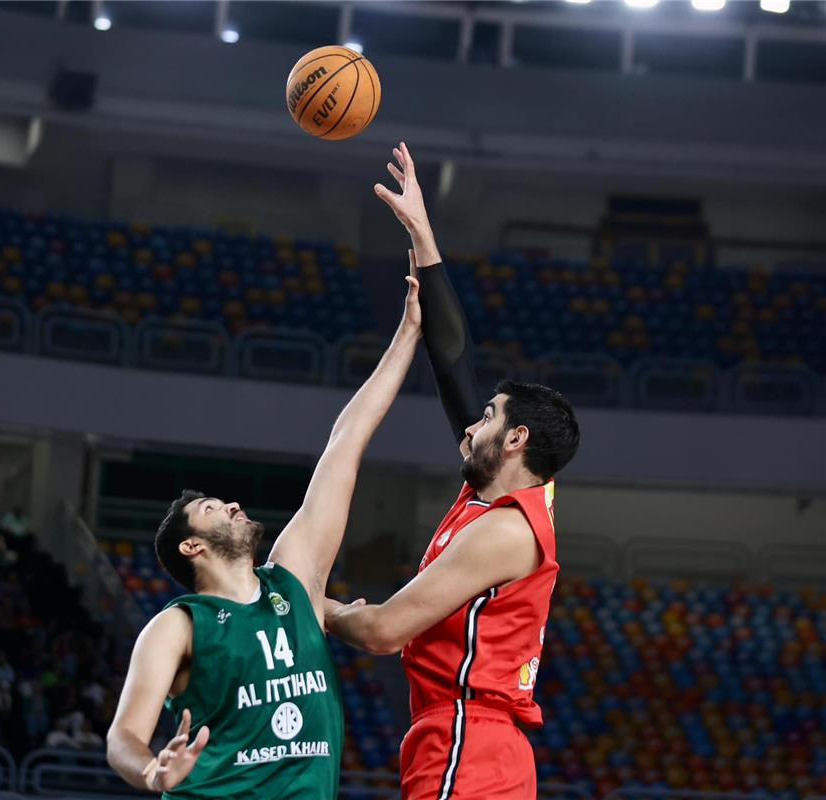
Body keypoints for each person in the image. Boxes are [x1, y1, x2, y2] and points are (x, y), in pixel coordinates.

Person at [106, 259, 424, 798]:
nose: (231, 504)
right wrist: (151, 771)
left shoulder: (294, 582)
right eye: (210, 508)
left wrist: (410, 330)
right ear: (192, 546)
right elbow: (122, 737)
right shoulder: (179, 626)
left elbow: (345, 442)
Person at [324, 143, 582, 800]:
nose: (471, 424)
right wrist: (421, 232)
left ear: (517, 438)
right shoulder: (493, 494)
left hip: (470, 739)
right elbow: (452, 362)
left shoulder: (507, 532)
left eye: (489, 416)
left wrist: (301, 603)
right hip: (467, 742)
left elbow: (383, 632)